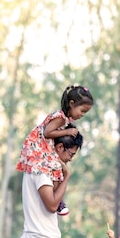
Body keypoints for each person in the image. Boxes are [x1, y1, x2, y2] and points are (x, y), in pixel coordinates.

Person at [16, 85, 93, 215]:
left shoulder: (64, 119)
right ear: (72, 104)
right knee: (56, 166)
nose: (82, 115)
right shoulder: (61, 118)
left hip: (45, 147)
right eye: (82, 110)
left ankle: (58, 199)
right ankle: (57, 201)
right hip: (39, 148)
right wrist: (67, 131)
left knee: (56, 167)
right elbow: (47, 132)